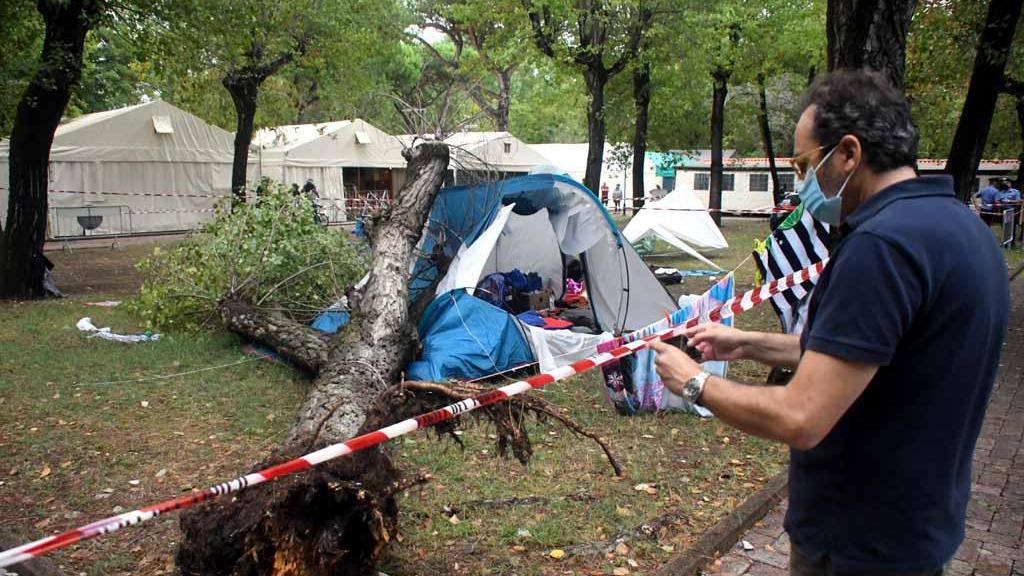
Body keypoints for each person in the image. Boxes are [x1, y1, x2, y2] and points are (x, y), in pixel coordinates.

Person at [650, 70, 1008, 576]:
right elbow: (869, 353)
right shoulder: (961, 230)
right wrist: (748, 343)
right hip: (918, 529)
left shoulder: (881, 248)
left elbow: (802, 415)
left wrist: (695, 384)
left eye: (804, 164)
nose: (802, 183)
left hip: (857, 543)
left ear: (847, 154)